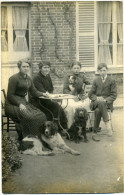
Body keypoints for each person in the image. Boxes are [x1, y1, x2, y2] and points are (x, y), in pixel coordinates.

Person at [5, 58, 47, 141]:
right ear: (19, 67)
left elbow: (34, 91)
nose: (26, 68)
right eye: (23, 66)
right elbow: (10, 96)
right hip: (13, 104)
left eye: (27, 66)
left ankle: (36, 137)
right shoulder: (13, 78)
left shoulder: (29, 78)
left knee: (41, 115)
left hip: (23, 102)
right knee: (29, 117)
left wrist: (43, 94)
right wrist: (19, 104)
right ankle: (26, 138)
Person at [31, 61, 68, 133]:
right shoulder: (36, 78)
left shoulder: (48, 76)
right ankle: (55, 129)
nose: (47, 69)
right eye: (45, 67)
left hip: (46, 100)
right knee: (55, 108)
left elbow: (51, 88)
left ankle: (62, 127)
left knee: (58, 107)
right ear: (40, 68)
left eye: (48, 67)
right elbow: (41, 90)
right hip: (38, 101)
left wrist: (51, 95)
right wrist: (48, 95)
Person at [88, 63, 117, 137]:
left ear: (107, 70)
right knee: (100, 102)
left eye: (104, 70)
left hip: (107, 103)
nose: (102, 72)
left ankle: (95, 130)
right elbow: (90, 94)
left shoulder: (112, 81)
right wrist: (97, 98)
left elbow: (114, 95)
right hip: (95, 102)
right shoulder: (96, 80)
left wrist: (106, 100)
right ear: (98, 71)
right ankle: (107, 124)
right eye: (100, 71)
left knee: (98, 111)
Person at [63, 61, 90, 128]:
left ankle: (86, 126)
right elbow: (65, 89)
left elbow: (89, 85)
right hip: (70, 96)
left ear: (80, 69)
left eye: (78, 68)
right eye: (74, 68)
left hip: (80, 96)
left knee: (88, 104)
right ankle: (71, 126)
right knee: (71, 107)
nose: (76, 70)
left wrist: (85, 91)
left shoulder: (82, 76)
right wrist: (72, 95)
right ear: (72, 69)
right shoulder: (68, 77)